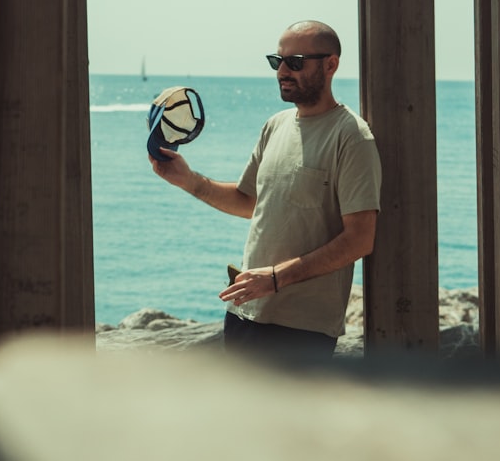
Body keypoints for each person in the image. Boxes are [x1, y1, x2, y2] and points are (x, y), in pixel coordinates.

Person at [149, 20, 381, 365]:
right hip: (245, 312)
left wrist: (275, 279)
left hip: (301, 330)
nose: (283, 71)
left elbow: (360, 239)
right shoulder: (276, 125)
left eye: (296, 61)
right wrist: (189, 180)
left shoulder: (352, 137)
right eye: (278, 61)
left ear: (331, 64)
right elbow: (249, 202)